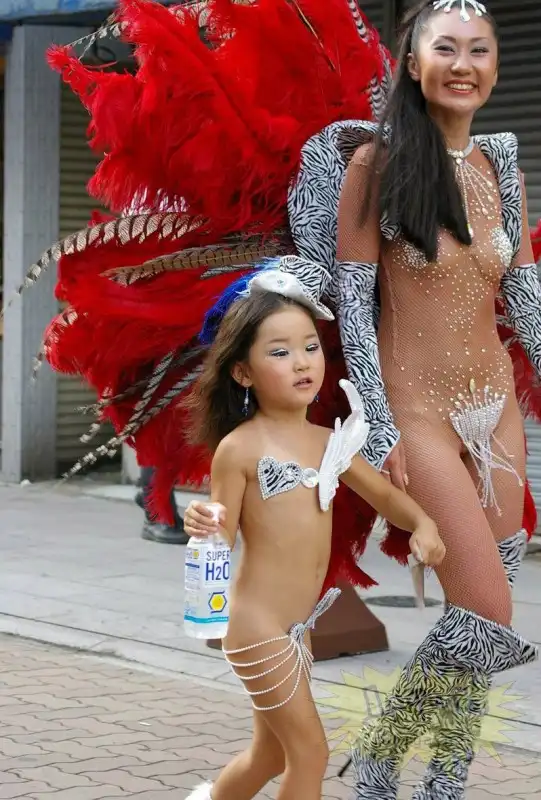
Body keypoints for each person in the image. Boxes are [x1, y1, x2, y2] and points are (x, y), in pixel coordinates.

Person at [10, 3, 540, 796]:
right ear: (412, 62)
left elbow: (523, 296)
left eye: (479, 50)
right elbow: (353, 305)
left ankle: (433, 778)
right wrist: (381, 427)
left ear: (495, 65)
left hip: (493, 408)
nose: (462, 64)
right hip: (416, 410)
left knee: (482, 610)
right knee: (487, 605)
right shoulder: (376, 166)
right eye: (445, 48)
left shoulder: (503, 169)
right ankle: (386, 756)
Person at [178, 263, 446, 800]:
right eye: (279, 352)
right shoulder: (240, 448)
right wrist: (200, 523)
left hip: (297, 628)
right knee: (310, 753)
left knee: (270, 754)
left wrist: (422, 522)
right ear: (243, 373)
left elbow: (385, 496)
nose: (302, 362)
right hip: (257, 627)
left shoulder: (329, 442)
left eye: (310, 347)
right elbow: (217, 534)